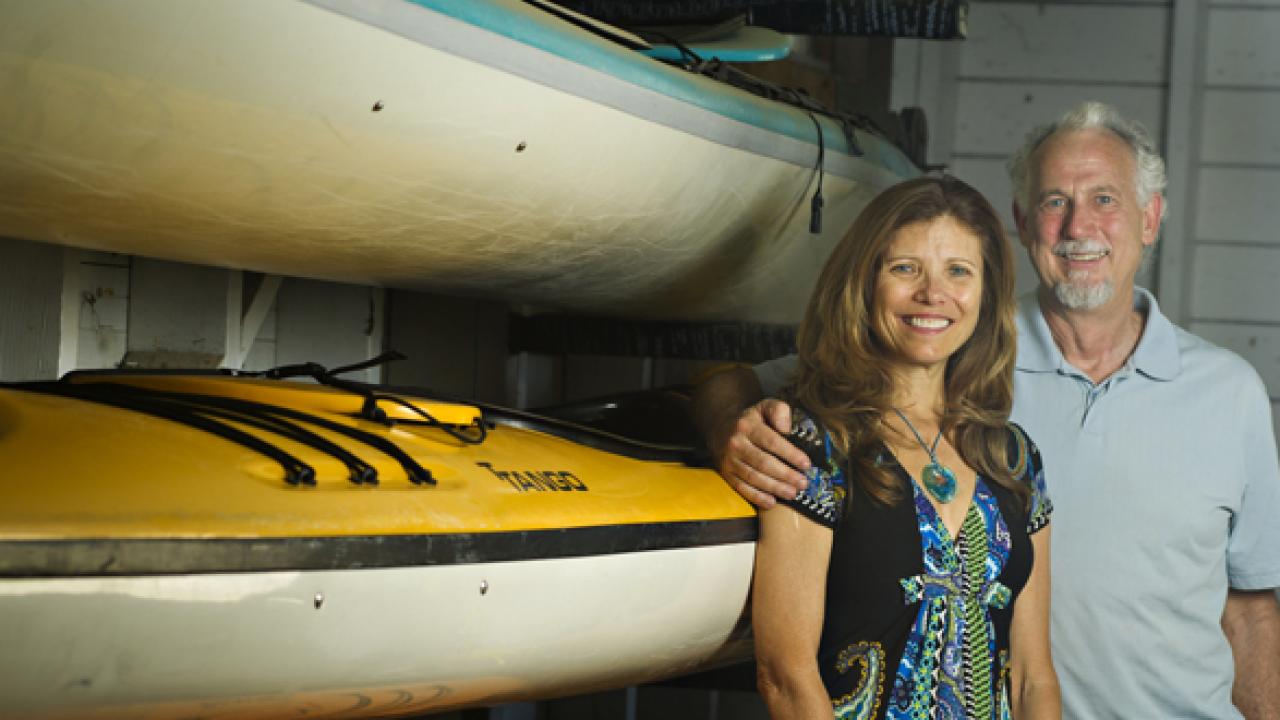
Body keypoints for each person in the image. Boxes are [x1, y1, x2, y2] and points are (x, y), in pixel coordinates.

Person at [696, 102, 1280, 719]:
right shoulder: (947, 342)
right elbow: (730, 386)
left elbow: (1249, 607)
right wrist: (729, 431)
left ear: (1151, 218)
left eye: (1105, 199)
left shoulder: (1226, 391)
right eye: (1056, 202)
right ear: (1025, 223)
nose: (1080, 225)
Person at [752, 175, 1060, 719]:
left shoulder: (1014, 459)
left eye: (958, 272)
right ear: (864, 283)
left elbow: (1033, 678)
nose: (932, 294)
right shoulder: (817, 445)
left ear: (985, 295)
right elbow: (786, 677)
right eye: (905, 268)